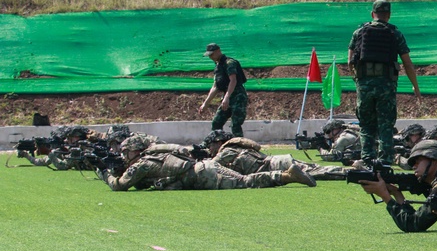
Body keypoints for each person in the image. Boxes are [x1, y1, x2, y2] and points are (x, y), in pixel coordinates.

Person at [103, 134, 316, 191]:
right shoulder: (154, 155)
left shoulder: (142, 164)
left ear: (135, 150)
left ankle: (286, 176)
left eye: (126, 152)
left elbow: (120, 186)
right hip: (206, 167)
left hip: (202, 176)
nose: (124, 156)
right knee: (244, 180)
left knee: (245, 183)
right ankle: (285, 175)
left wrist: (107, 175)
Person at [348, 0, 421, 165]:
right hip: (386, 87)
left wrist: (359, 82)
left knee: (366, 125)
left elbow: (350, 62)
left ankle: (367, 160)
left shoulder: (359, 32)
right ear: (389, 15)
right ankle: (385, 162)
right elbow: (407, 63)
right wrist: (415, 87)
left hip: (364, 85)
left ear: (372, 14)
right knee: (385, 125)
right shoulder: (395, 34)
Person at [357, 140, 437, 233]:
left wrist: (385, 196)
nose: (414, 167)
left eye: (418, 162)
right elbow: (413, 218)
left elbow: (412, 224)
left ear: (435, 161)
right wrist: (396, 193)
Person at [203, 130, 347, 180]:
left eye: (210, 146)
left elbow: (213, 165)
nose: (210, 149)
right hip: (277, 163)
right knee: (318, 170)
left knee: (321, 172)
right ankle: (353, 171)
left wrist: (201, 158)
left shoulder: (227, 151)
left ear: (218, 141)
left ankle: (354, 172)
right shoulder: (234, 147)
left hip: (276, 165)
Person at [199, 43, 248, 137]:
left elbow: (233, 80)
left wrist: (227, 97)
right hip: (227, 96)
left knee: (235, 125)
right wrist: (205, 103)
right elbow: (215, 86)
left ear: (218, 51)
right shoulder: (218, 67)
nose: (210, 57)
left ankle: (239, 148)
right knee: (216, 123)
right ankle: (218, 145)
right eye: (209, 55)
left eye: (212, 54)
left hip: (238, 96)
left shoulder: (229, 63)